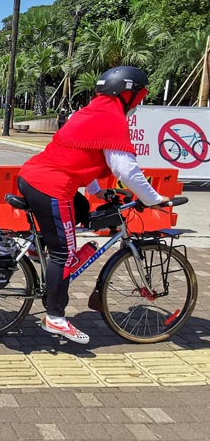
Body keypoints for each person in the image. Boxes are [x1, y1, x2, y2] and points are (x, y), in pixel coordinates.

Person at [17, 66, 166, 345]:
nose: (138, 104)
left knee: (82, 208)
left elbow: (81, 154)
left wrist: (99, 191)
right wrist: (154, 199)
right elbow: (126, 169)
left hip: (32, 177)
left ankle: (40, 252)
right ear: (128, 94)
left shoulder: (90, 111)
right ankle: (55, 317)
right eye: (139, 98)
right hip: (51, 187)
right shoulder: (112, 118)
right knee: (64, 253)